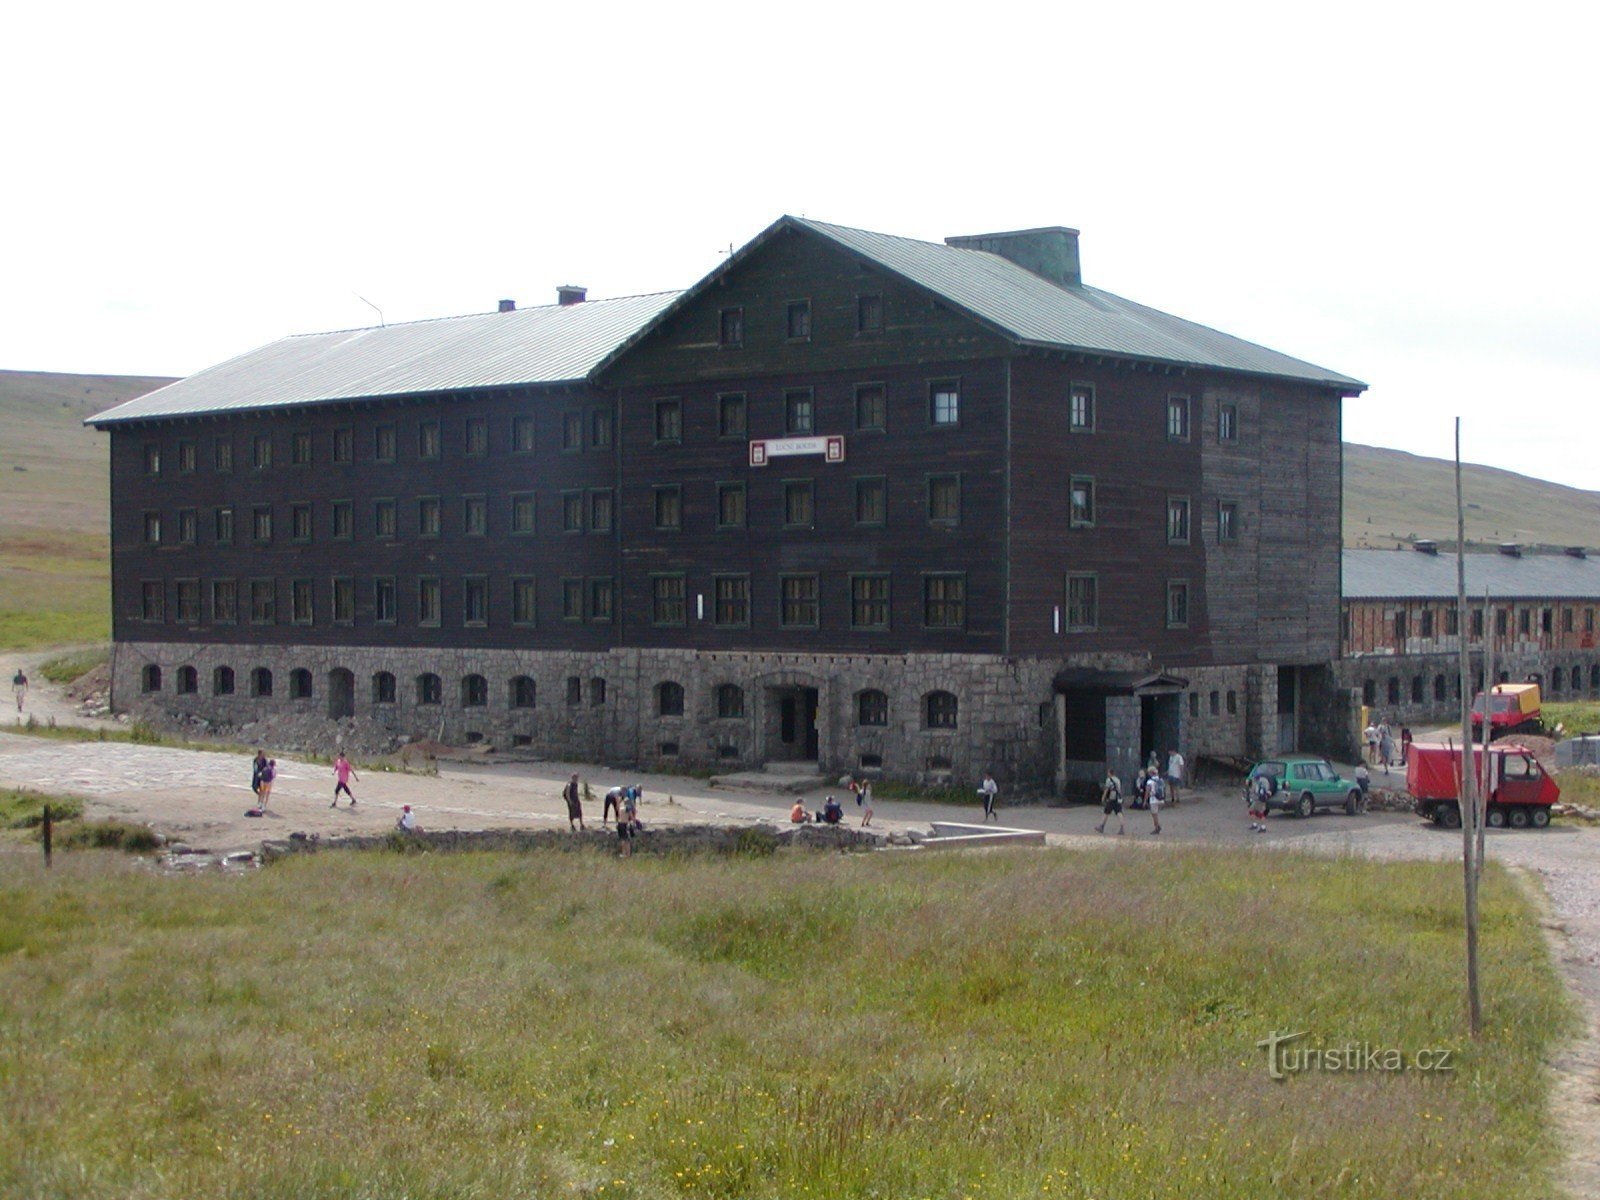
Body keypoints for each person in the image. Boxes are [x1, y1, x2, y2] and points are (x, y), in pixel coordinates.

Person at [1096, 769, 1125, 835]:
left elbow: (1107, 789)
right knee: (1119, 812)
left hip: (1112, 797)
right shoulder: (1118, 779)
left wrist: (1103, 797)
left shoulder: (1109, 780)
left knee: (1106, 812)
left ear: (1110, 773)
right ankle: (1122, 827)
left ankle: (1101, 826)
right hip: (1118, 798)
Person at [1143, 768, 1163, 835]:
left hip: (1153, 799)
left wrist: (1145, 801)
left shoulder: (1149, 781)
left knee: (1154, 814)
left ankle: (1157, 827)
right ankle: (1158, 825)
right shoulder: (1160, 779)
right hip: (1160, 798)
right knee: (1156, 814)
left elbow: (1147, 792)